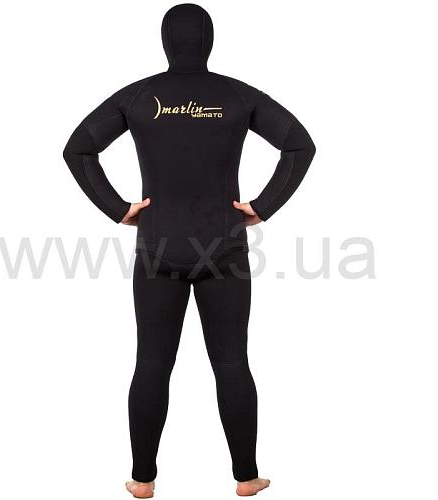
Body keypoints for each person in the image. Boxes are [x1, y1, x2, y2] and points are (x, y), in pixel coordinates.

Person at [63, 3, 315, 497]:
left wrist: (119, 209)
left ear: (165, 41)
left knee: (152, 364)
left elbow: (78, 148)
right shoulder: (237, 95)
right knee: (232, 363)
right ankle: (246, 478)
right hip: (225, 247)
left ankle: (142, 480)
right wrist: (262, 207)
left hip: (157, 246)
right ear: (209, 41)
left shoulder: (140, 96)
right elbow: (299, 145)